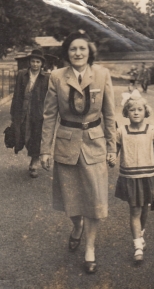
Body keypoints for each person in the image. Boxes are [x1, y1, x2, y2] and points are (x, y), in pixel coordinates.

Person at [40, 30, 116, 274]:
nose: (78, 53)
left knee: (95, 198)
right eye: (73, 49)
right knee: (70, 200)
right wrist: (44, 150)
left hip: (95, 143)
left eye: (82, 48)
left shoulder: (102, 74)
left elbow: (110, 115)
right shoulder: (56, 77)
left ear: (89, 52)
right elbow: (50, 115)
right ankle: (76, 227)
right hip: (66, 142)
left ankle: (90, 248)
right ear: (67, 53)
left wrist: (112, 147)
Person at [109, 96, 154, 264]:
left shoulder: (152, 130)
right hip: (130, 177)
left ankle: (141, 232)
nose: (136, 113)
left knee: (145, 207)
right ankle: (137, 246)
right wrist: (110, 159)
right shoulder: (121, 132)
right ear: (126, 113)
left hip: (148, 176)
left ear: (145, 111)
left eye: (139, 110)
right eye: (132, 110)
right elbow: (114, 153)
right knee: (135, 211)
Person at [10, 49, 49, 178]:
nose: (35, 64)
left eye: (38, 62)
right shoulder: (22, 74)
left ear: (42, 64)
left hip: (37, 112)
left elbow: (48, 97)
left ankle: (34, 162)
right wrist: (13, 111)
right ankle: (33, 155)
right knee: (23, 134)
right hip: (23, 111)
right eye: (33, 61)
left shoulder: (46, 77)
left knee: (36, 136)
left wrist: (46, 113)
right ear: (29, 62)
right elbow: (16, 94)